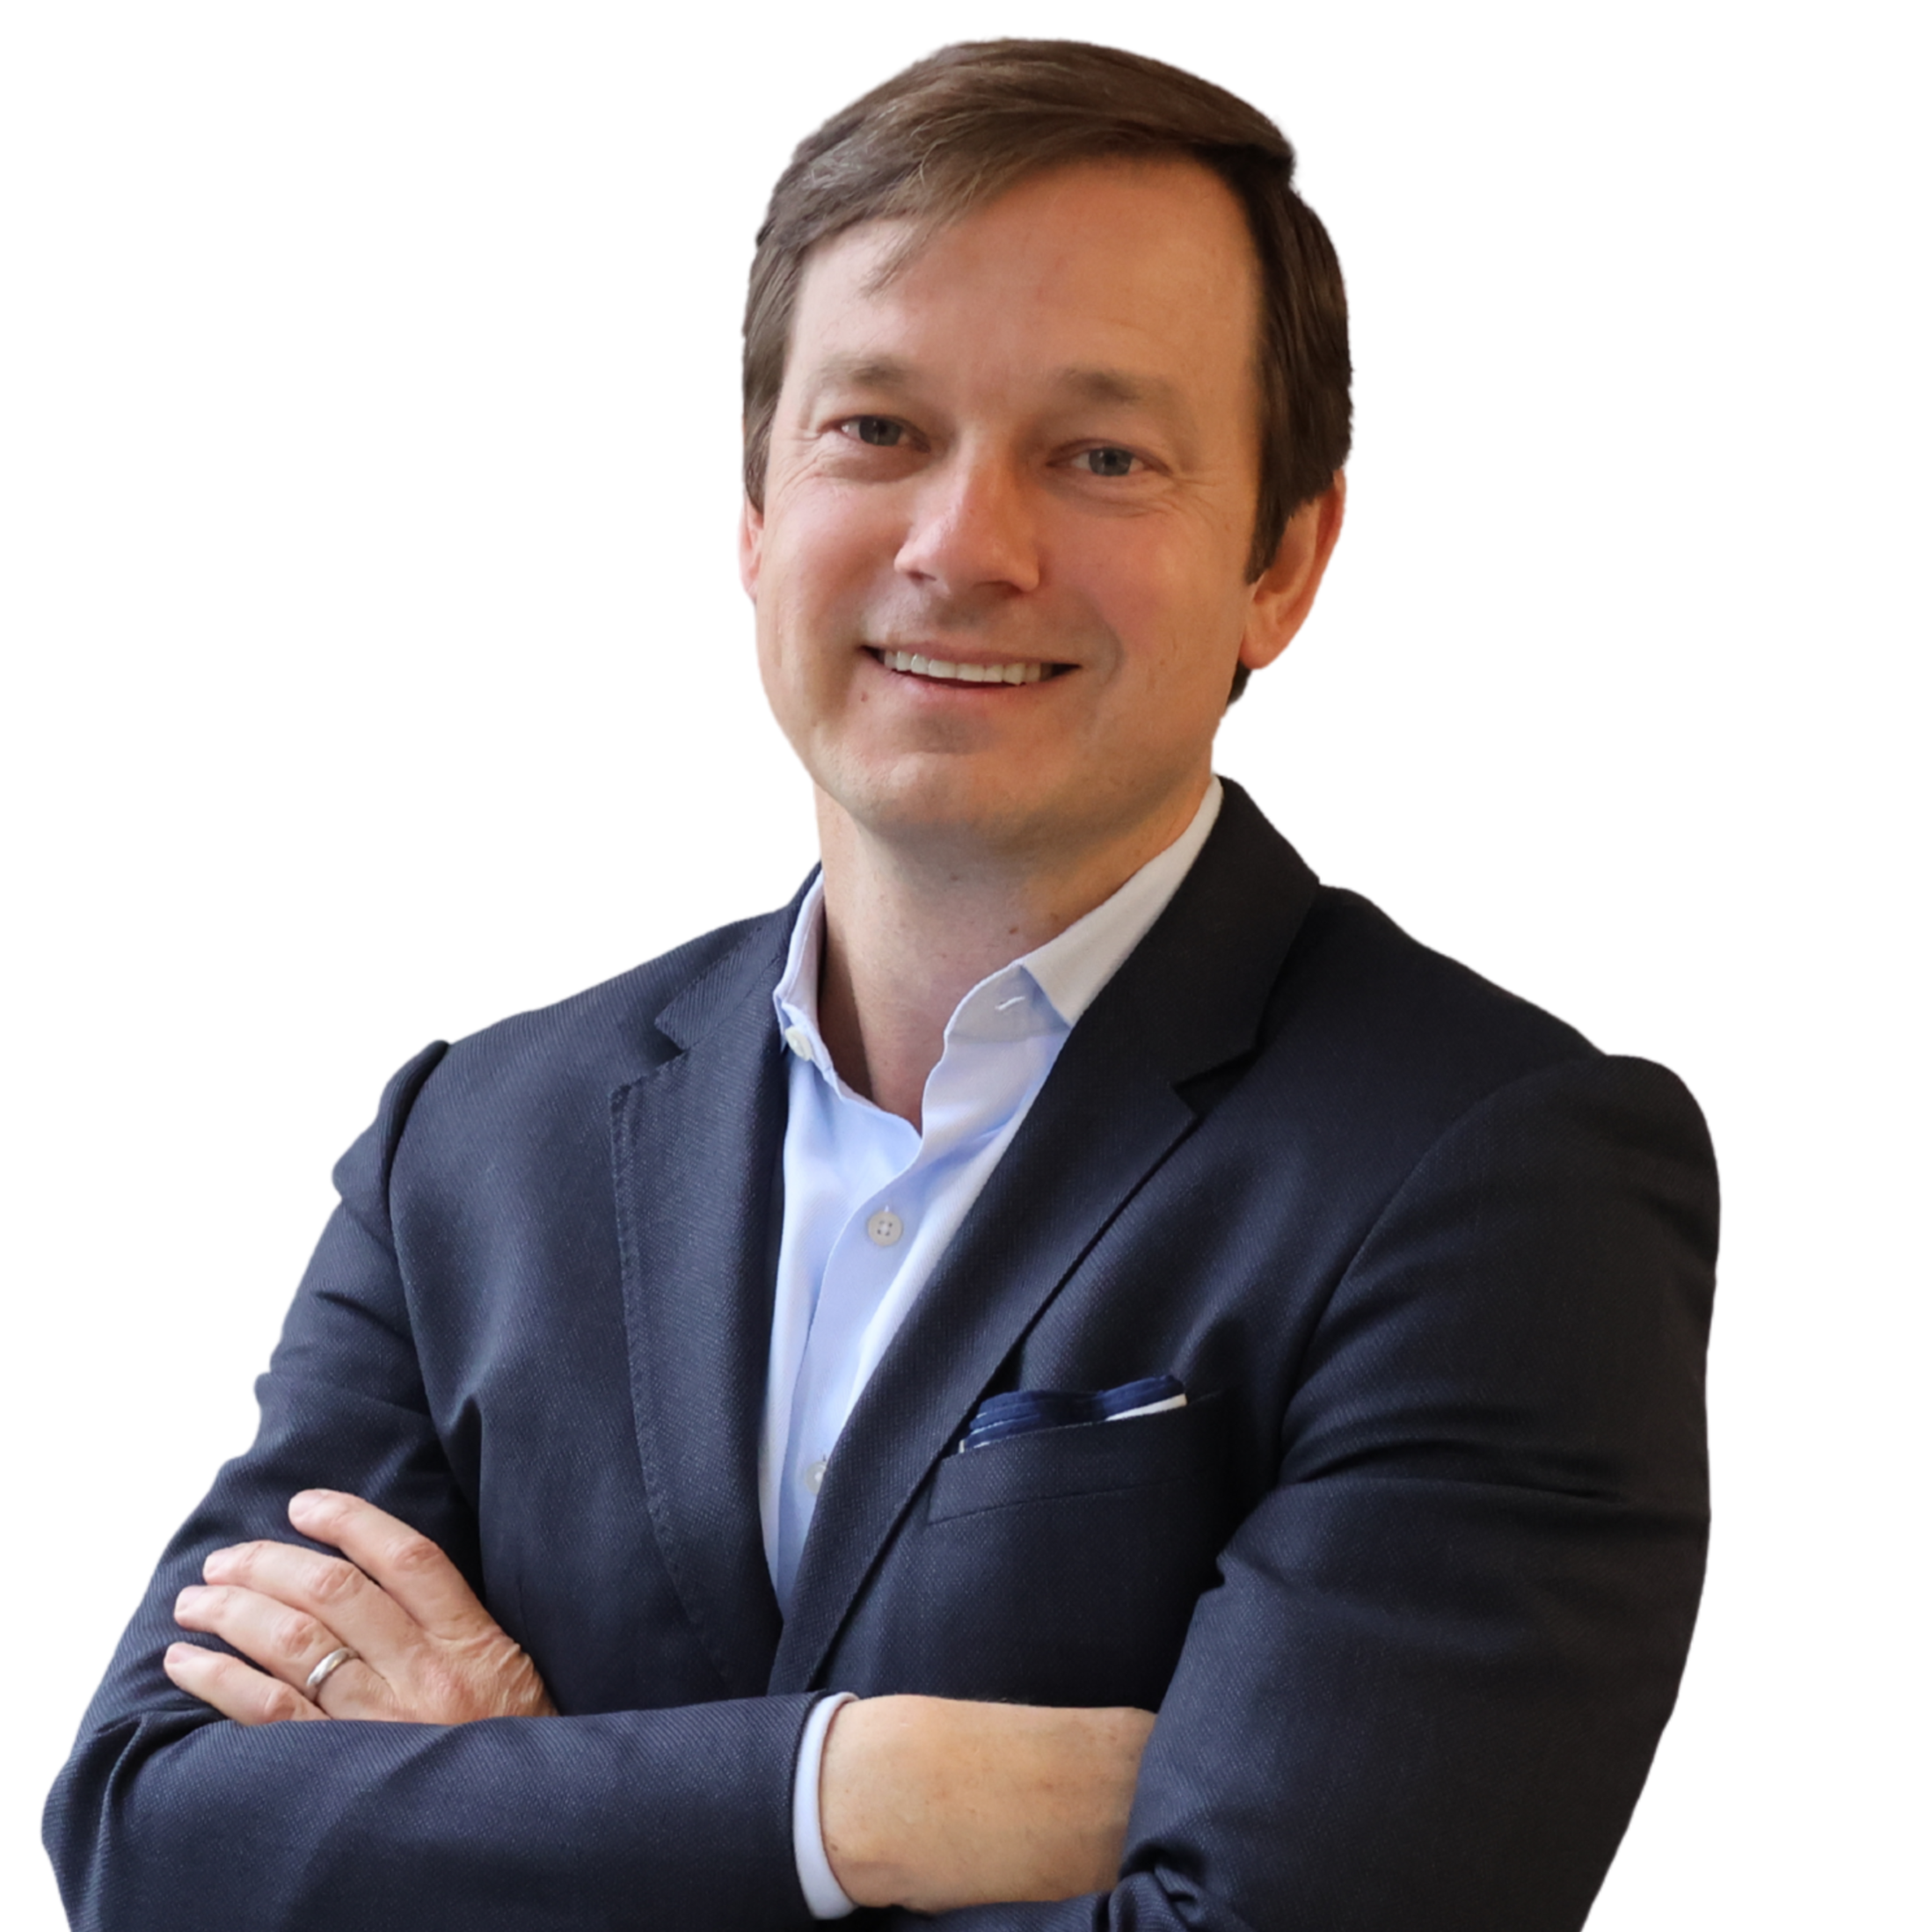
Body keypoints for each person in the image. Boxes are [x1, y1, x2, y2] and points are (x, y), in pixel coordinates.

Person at [44, 39, 1717, 1932]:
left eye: (1101, 456)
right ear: (757, 513)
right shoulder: (477, 1150)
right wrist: (864, 1797)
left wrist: (503, 1809)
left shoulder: (1500, 1177)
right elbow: (151, 1839)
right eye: (878, 431)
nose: (962, 547)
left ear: (1286, 560)